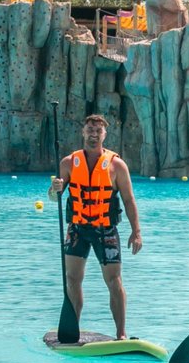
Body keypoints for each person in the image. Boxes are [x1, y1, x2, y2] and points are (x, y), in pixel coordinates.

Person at [48, 114, 141, 339]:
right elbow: (53, 198)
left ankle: (121, 333)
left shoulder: (116, 165)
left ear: (104, 135)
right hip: (77, 229)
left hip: (105, 230)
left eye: (98, 131)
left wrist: (136, 232)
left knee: (114, 280)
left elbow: (129, 200)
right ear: (83, 132)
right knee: (72, 279)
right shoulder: (68, 163)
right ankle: (73, 329)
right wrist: (55, 189)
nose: (93, 134)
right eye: (90, 130)